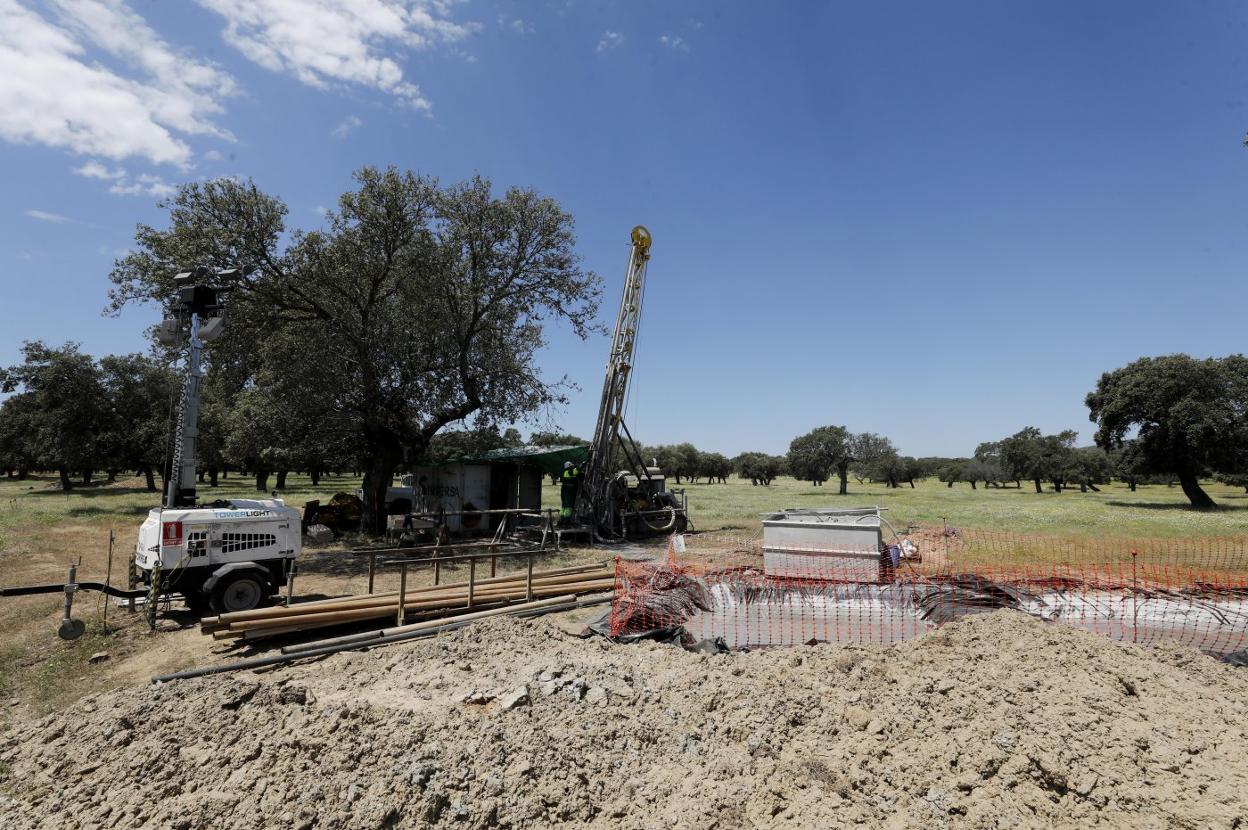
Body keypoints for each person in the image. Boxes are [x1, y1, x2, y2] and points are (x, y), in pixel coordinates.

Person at [559, 460, 581, 526]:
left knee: (564, 506)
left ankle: (561, 520)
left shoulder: (564, 472)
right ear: (569, 466)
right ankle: (566, 521)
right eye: (572, 466)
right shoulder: (570, 471)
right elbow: (577, 470)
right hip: (569, 492)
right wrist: (582, 464)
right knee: (568, 507)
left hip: (564, 491)